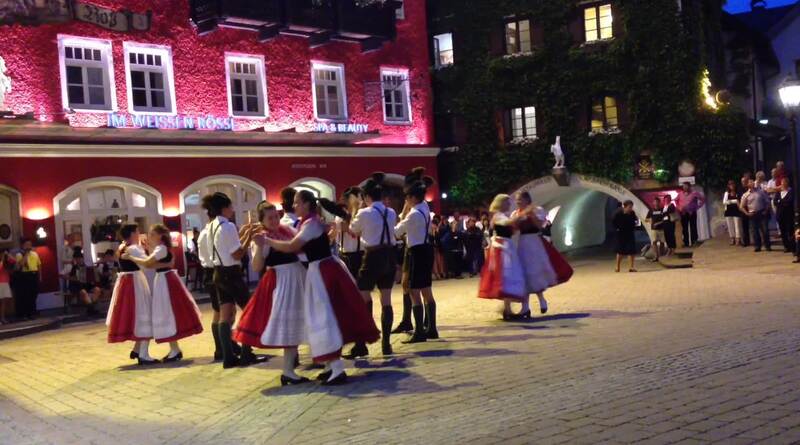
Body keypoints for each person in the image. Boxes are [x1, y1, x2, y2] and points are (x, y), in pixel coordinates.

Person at [264, 190, 380, 385]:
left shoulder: (310, 224)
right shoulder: (310, 222)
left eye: (297, 203)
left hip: (322, 271)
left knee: (323, 316)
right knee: (326, 315)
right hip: (323, 269)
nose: (294, 206)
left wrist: (268, 240)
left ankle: (336, 368)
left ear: (306, 204)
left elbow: (293, 246)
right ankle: (331, 366)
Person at [234, 202, 309, 385]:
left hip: (297, 278)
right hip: (283, 281)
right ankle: (288, 370)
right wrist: (260, 246)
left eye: (276, 216)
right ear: (262, 221)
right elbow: (256, 266)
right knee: (289, 324)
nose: (275, 220)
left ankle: (292, 369)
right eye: (270, 218)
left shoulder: (287, 230)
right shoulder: (262, 238)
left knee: (300, 322)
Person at [123, 224, 203, 363]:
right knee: (166, 313)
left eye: (152, 234)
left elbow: (147, 263)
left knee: (166, 313)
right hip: (163, 279)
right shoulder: (161, 248)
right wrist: (157, 258)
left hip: (165, 280)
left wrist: (131, 258)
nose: (150, 237)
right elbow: (155, 263)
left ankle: (174, 350)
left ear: (160, 236)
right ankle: (174, 349)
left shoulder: (161, 248)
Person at [202, 192, 261, 368]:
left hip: (218, 273)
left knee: (224, 315)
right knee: (250, 311)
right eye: (231, 206)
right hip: (232, 273)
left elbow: (228, 247)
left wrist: (245, 233)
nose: (233, 209)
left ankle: (228, 357)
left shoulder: (212, 226)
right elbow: (237, 253)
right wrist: (249, 237)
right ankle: (246, 353)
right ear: (224, 208)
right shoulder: (227, 226)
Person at [347, 173, 398, 358]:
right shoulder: (391, 212)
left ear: (367, 197)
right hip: (389, 255)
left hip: (372, 256)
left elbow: (352, 230)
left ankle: (362, 343)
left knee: (363, 298)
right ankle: (386, 344)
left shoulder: (364, 212)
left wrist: (356, 209)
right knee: (386, 300)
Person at [106, 224, 157, 365]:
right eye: (137, 231)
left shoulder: (123, 246)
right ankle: (143, 354)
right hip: (135, 282)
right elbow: (147, 264)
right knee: (144, 315)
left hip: (127, 282)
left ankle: (137, 349)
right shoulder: (134, 248)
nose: (139, 233)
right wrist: (151, 249)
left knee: (137, 315)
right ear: (133, 233)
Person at [394, 179, 438, 343]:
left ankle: (419, 331)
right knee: (427, 290)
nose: (406, 200)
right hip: (426, 249)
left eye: (407, 197)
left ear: (412, 197)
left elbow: (397, 232)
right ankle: (432, 328)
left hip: (416, 252)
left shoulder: (412, 214)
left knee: (413, 290)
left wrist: (402, 213)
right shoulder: (424, 208)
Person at [477, 194, 526, 319]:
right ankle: (507, 309)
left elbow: (510, 229)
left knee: (508, 276)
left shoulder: (502, 215)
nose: (509, 204)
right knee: (506, 275)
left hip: (506, 246)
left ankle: (507, 309)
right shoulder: (498, 216)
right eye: (507, 202)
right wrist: (522, 214)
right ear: (502, 203)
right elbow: (508, 223)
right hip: (501, 247)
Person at [512, 192, 558, 317]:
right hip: (523, 242)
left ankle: (542, 300)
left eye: (519, 199)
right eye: (517, 200)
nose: (517, 202)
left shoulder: (537, 210)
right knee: (523, 274)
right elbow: (514, 229)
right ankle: (525, 307)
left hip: (534, 241)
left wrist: (530, 214)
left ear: (527, 199)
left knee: (535, 272)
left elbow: (539, 226)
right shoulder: (516, 213)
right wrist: (516, 220)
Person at [60, 249, 102, 315]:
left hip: (86, 285)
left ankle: (90, 308)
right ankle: (92, 309)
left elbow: (92, 277)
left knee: (97, 289)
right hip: (75, 286)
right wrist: (72, 278)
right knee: (83, 292)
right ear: (75, 259)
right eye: (77, 259)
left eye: (80, 258)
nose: (79, 260)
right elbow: (62, 275)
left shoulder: (86, 266)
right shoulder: (71, 267)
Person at [740, 179, 772, 252]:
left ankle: (767, 246)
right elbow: (741, 206)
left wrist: (766, 210)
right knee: (755, 231)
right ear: (748, 184)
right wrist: (747, 213)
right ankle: (757, 246)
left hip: (761, 213)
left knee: (765, 230)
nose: (752, 183)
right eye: (750, 182)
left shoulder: (761, 192)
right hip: (752, 214)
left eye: (752, 182)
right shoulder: (745, 195)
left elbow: (767, 202)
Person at [13, 238, 41, 320]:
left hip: (34, 274)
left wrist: (40, 276)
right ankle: (24, 314)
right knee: (25, 295)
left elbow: (39, 265)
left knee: (33, 294)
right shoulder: (19, 254)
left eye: (30, 244)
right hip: (25, 275)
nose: (29, 246)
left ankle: (32, 313)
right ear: (23, 245)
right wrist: (26, 254)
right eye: (27, 244)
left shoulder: (35, 254)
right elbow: (20, 265)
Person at [676, 183, 705, 247]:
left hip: (692, 212)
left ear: (689, 187)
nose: (685, 188)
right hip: (683, 213)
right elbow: (676, 201)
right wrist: (679, 207)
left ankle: (694, 241)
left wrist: (697, 207)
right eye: (684, 186)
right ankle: (686, 243)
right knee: (684, 228)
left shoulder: (695, 193)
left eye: (686, 186)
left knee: (693, 226)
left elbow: (702, 199)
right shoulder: (680, 194)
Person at [613, 200, 639, 273]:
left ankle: (631, 267)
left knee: (631, 250)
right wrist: (617, 229)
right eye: (629, 207)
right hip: (621, 234)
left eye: (631, 207)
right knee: (620, 251)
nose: (631, 208)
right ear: (625, 207)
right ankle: (617, 267)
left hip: (630, 233)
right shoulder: (618, 213)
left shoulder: (632, 213)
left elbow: (635, 220)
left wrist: (634, 225)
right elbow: (614, 222)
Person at [773, 178, 796, 254]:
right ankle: (786, 246)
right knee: (782, 232)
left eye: (783, 182)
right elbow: (775, 202)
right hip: (780, 215)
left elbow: (789, 202)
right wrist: (782, 202)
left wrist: (780, 202)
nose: (782, 184)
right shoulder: (778, 193)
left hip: (788, 216)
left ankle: (793, 247)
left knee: (790, 231)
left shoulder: (791, 192)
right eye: (781, 182)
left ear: (787, 183)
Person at [722, 180, 743, 246]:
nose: (732, 186)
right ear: (728, 186)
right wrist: (734, 201)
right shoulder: (726, 193)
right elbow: (724, 202)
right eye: (730, 184)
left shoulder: (738, 193)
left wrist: (731, 201)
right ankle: (732, 238)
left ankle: (738, 239)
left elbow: (740, 201)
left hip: (736, 211)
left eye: (733, 184)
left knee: (737, 225)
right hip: (728, 211)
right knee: (730, 226)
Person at [645, 196, 666, 262]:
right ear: (653, 203)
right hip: (654, 229)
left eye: (657, 202)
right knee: (654, 242)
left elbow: (665, 218)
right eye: (655, 202)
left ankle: (662, 256)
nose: (656, 203)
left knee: (662, 242)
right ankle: (656, 256)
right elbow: (646, 219)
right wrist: (650, 220)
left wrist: (659, 223)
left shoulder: (662, 210)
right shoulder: (651, 210)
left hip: (661, 228)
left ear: (659, 202)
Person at [0, 250, 15, 324]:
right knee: (2, 302)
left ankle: (3, 318)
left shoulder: (6, 263)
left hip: (5, 283)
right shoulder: (2, 263)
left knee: (4, 302)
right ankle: (2, 318)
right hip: (1, 284)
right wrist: (2, 258)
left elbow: (14, 261)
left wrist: (8, 254)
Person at [431, 215, 447, 280]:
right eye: (433, 224)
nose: (434, 226)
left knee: (440, 260)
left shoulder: (439, 230)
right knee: (434, 260)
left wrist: (436, 232)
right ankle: (437, 273)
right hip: (432, 247)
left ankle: (441, 272)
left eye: (435, 225)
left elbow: (439, 240)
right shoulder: (429, 232)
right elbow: (431, 240)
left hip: (438, 247)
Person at [740, 175, 752, 247]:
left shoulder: (750, 189)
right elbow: (738, 200)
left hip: (751, 209)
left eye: (744, 181)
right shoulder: (740, 190)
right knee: (744, 227)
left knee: (754, 226)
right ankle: (746, 242)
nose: (743, 183)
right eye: (742, 182)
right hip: (743, 210)